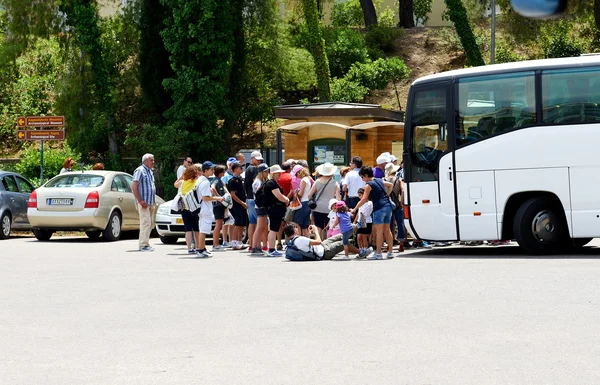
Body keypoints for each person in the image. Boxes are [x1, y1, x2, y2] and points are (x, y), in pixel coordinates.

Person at [352, 166, 395, 260]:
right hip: (388, 207)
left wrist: (354, 209)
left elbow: (364, 199)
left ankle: (378, 253)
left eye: (362, 177)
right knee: (387, 230)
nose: (362, 179)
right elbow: (390, 185)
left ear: (366, 175)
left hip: (379, 208)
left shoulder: (368, 185)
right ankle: (390, 252)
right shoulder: (379, 180)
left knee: (378, 231)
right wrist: (386, 195)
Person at [282, 223, 366, 261]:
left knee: (340, 236)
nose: (298, 228)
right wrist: (316, 231)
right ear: (294, 230)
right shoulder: (299, 239)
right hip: (324, 252)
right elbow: (318, 241)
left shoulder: (292, 241)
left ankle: (357, 226)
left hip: (320, 247)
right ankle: (361, 252)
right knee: (344, 242)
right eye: (296, 227)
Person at [196, 161, 223, 257]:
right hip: (205, 209)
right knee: (203, 231)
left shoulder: (200, 180)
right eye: (211, 169)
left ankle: (202, 248)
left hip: (202, 209)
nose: (213, 171)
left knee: (202, 230)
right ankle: (200, 250)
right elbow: (205, 197)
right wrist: (217, 198)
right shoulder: (205, 182)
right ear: (205, 170)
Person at [131, 153, 157, 252]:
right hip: (143, 203)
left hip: (150, 202)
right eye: (151, 160)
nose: (153, 162)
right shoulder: (140, 171)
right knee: (145, 222)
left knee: (150, 223)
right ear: (145, 161)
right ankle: (143, 245)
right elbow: (134, 187)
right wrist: (140, 201)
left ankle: (146, 243)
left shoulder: (150, 171)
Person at [307, 163, 340, 237]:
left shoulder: (317, 182)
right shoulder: (335, 183)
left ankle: (319, 244)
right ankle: (327, 244)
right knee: (329, 227)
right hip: (330, 208)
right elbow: (338, 199)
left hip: (318, 208)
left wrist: (312, 201)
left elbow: (309, 195)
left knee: (319, 227)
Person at [264, 165, 289, 257]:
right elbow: (278, 196)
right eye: (278, 173)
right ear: (273, 174)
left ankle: (271, 248)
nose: (280, 175)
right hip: (274, 208)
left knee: (274, 228)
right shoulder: (272, 183)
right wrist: (286, 200)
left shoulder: (272, 183)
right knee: (273, 229)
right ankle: (271, 249)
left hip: (275, 208)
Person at [179, 163, 202, 254]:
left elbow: (176, 185)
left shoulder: (183, 182)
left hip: (185, 208)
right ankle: (197, 246)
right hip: (195, 208)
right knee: (196, 229)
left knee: (188, 229)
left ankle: (189, 248)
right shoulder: (196, 182)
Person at [244, 151, 262, 252]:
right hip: (254, 198)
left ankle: (251, 244)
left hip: (249, 198)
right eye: (257, 159)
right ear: (252, 159)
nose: (258, 161)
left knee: (252, 222)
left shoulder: (247, 169)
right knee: (258, 223)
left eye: (260, 160)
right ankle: (256, 244)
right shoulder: (254, 169)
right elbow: (256, 183)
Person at [385, 162, 405, 252]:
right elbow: (403, 191)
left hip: (387, 204)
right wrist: (401, 202)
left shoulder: (384, 179)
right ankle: (401, 243)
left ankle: (389, 245)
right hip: (397, 203)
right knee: (400, 223)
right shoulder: (398, 179)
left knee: (389, 224)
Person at [227, 163, 248, 249]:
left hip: (243, 204)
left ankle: (240, 241)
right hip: (237, 205)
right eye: (240, 168)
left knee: (242, 223)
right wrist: (242, 203)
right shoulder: (232, 180)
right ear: (235, 169)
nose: (241, 169)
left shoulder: (241, 179)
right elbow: (233, 195)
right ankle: (233, 241)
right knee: (237, 223)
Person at [250, 163, 270, 254]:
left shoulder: (260, 181)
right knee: (260, 227)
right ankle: (255, 246)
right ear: (261, 172)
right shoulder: (258, 182)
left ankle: (257, 246)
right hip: (260, 206)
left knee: (261, 227)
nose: (267, 173)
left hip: (261, 206)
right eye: (265, 171)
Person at [210, 165, 228, 252]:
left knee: (220, 225)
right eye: (223, 171)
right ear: (220, 172)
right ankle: (215, 244)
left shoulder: (219, 180)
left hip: (220, 205)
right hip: (218, 206)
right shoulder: (216, 180)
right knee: (218, 225)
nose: (224, 172)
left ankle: (216, 244)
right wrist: (218, 197)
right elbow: (212, 188)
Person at [293, 167, 313, 236]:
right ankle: (308, 241)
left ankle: (298, 238)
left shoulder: (304, 180)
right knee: (304, 226)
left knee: (297, 222)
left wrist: (296, 193)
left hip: (303, 203)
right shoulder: (309, 179)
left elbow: (301, 193)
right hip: (307, 202)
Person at [354, 187, 373, 258]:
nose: (359, 197)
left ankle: (365, 249)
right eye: (358, 195)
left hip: (367, 221)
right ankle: (360, 250)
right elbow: (358, 213)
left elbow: (367, 213)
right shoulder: (359, 203)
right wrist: (355, 220)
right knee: (359, 236)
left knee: (364, 236)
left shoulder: (370, 203)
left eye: (360, 195)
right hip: (360, 221)